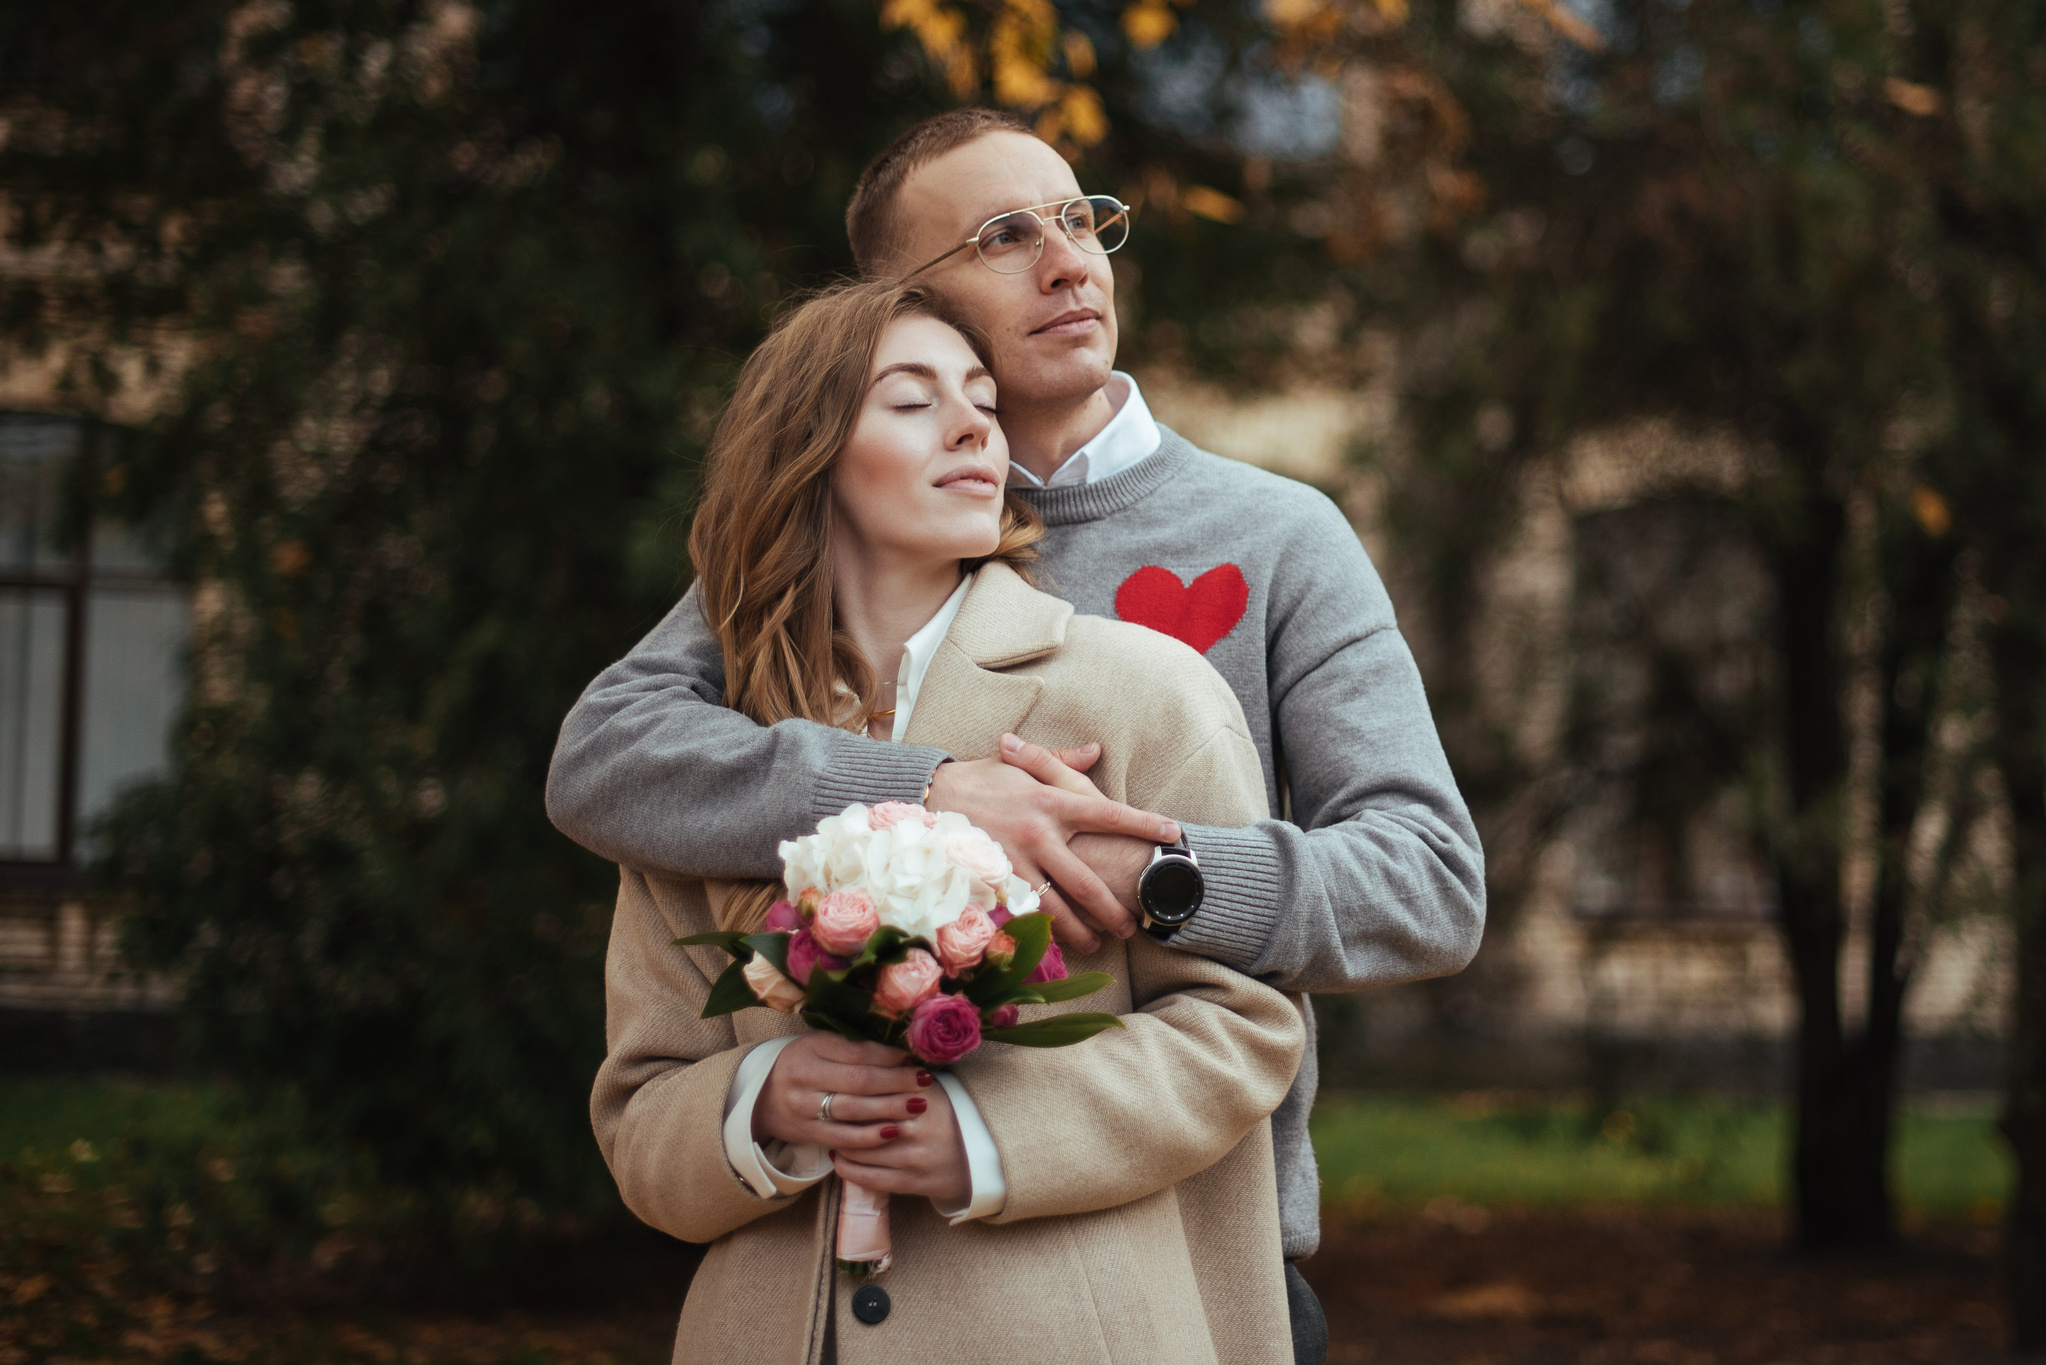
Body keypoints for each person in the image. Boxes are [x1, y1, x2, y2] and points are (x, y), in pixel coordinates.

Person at [551, 108, 1486, 1363]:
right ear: (893, 308)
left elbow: (1428, 881)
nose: (1067, 260)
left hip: (1176, 1254)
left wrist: (1159, 875)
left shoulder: (1276, 535)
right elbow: (612, 754)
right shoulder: (841, 548)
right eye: (1002, 235)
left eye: (1079, 218)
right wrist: (933, 790)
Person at [594, 280, 1308, 1364]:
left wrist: (982, 1133)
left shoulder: (1141, 692)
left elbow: (1244, 1026)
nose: (978, 423)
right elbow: (639, 1110)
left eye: (980, 396)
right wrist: (759, 1099)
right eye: (911, 399)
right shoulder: (716, 753)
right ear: (808, 452)